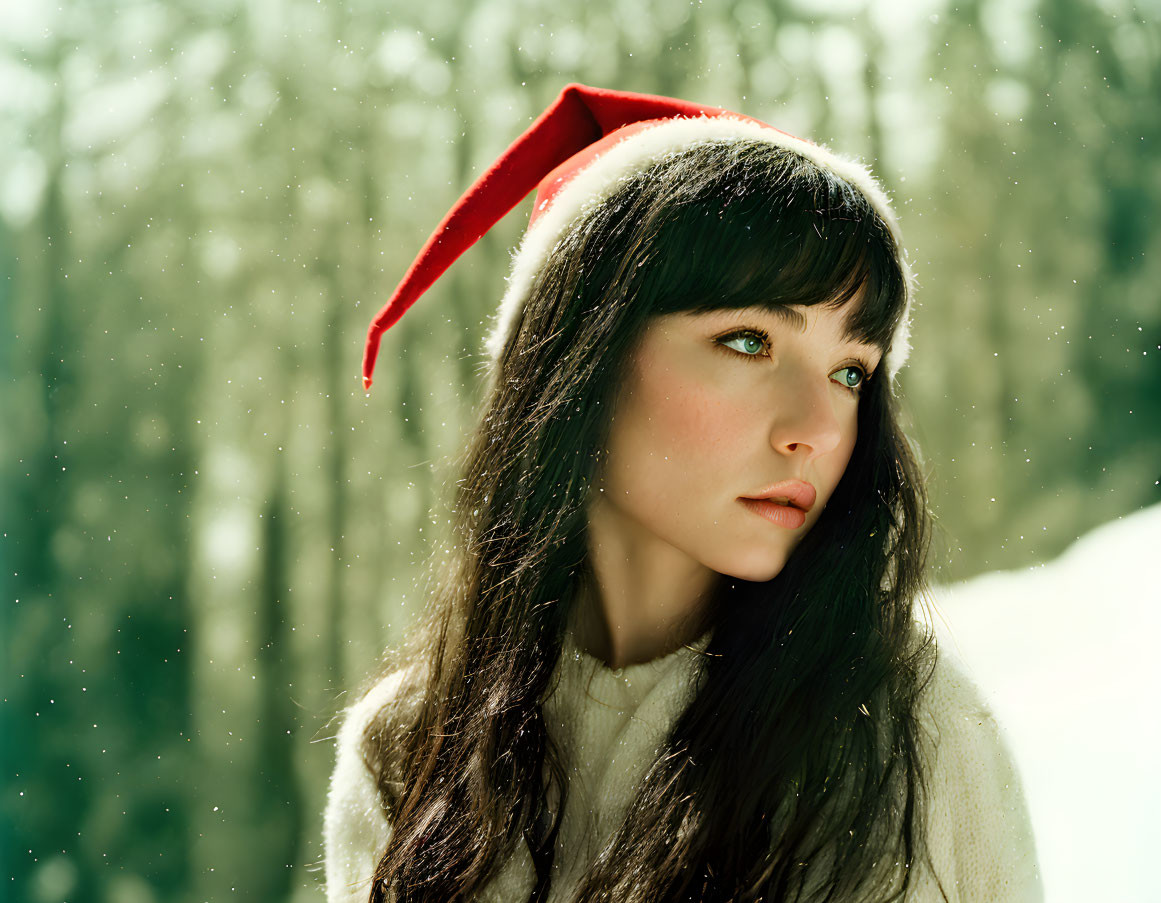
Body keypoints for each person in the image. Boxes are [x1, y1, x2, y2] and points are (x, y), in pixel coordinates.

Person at [323, 84, 1042, 902]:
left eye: (850, 371)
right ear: (579, 355)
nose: (815, 426)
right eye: (748, 340)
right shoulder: (408, 751)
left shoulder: (906, 729)